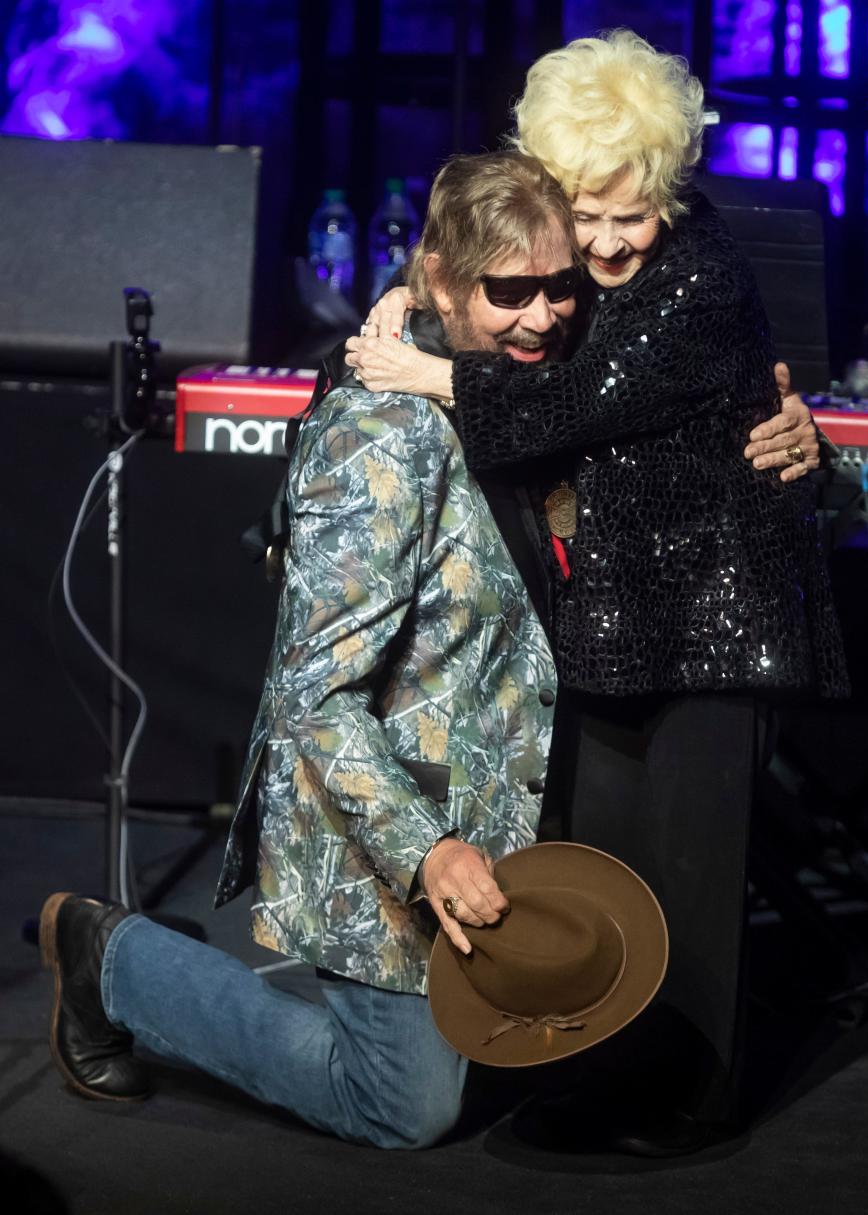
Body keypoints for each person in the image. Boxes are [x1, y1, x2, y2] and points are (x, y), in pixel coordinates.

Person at [345, 30, 849, 1154]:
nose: (614, 241)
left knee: (693, 871)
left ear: (671, 188)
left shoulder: (703, 278)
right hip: (617, 616)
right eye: (591, 214)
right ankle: (603, 1070)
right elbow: (496, 272)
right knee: (609, 869)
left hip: (717, 610)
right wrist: (411, 292)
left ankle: (696, 1100)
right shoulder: (562, 248)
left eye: (638, 212)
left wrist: (428, 368)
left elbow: (578, 402)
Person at [39, 151, 586, 1151]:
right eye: (510, 290)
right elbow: (316, 698)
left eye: (561, 285)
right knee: (408, 1108)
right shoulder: (382, 438)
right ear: (438, 281)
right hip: (392, 836)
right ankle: (112, 957)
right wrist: (427, 852)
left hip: (506, 820)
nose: (545, 315)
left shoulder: (519, 392)